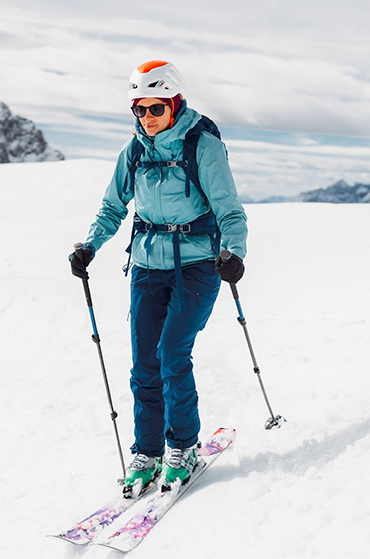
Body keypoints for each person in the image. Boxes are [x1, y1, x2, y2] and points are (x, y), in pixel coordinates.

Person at [69, 60, 247, 496]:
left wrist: (234, 253)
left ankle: (183, 448)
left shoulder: (202, 146)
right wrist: (90, 244)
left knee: (171, 354)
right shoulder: (133, 152)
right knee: (144, 365)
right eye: (139, 110)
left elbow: (229, 209)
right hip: (147, 267)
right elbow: (113, 207)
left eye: (155, 108)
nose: (146, 118)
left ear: (174, 103)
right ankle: (146, 452)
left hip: (199, 266)